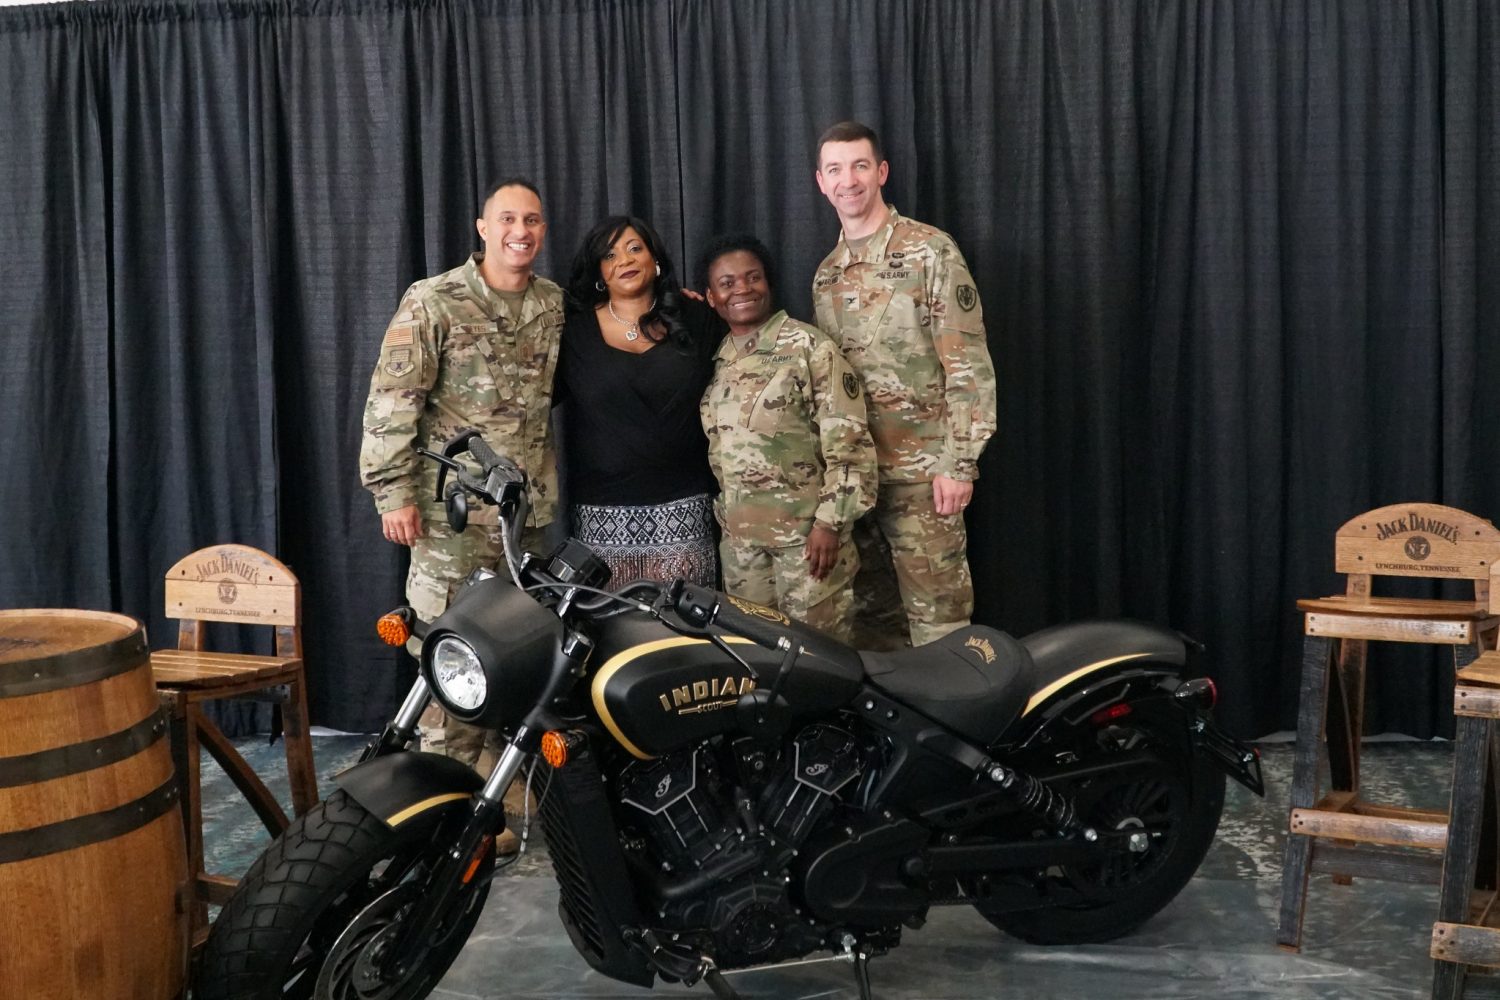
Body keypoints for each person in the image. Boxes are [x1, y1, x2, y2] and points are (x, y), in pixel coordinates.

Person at [359, 178, 564, 821]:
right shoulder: (434, 300)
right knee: (449, 644)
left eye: (532, 220)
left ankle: (494, 784)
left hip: (523, 516)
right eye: (507, 219)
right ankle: (446, 796)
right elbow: (393, 402)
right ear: (482, 227)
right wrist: (392, 492)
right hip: (452, 513)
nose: (520, 231)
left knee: (515, 649)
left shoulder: (553, 304)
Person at [810, 121, 998, 648]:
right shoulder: (826, 275)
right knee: (871, 630)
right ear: (820, 182)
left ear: (881, 172)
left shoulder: (929, 251)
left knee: (940, 628)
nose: (849, 180)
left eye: (860, 165)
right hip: (856, 483)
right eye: (836, 169)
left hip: (924, 479)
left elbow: (968, 365)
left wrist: (960, 463)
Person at [697, 234, 876, 640]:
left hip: (807, 547)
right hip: (743, 551)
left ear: (768, 283)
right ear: (711, 298)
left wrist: (830, 525)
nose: (741, 289)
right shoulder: (717, 360)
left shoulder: (809, 347)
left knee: (818, 661)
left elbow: (849, 446)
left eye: (752, 277)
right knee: (755, 659)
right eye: (726, 284)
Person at [556, 216, 722, 586]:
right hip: (601, 516)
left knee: (685, 638)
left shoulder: (696, 317)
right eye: (610, 255)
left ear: (655, 257)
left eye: (635, 248)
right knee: (615, 636)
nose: (625, 260)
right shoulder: (573, 331)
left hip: (685, 508)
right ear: (600, 272)